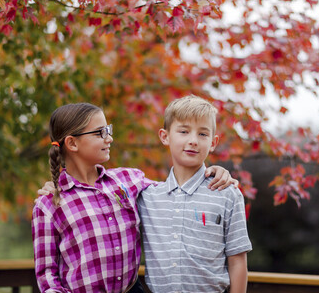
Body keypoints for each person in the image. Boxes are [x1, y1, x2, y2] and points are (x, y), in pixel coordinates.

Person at [32, 102, 236, 293]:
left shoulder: (129, 180)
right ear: (72, 143)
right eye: (100, 133)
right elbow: (47, 275)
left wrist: (212, 172)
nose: (109, 138)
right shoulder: (49, 204)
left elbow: (176, 190)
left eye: (108, 130)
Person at [138, 95, 252, 293]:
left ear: (213, 142)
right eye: (183, 131)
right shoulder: (146, 197)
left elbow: (237, 261)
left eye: (202, 134)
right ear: (165, 136)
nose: (193, 141)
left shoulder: (227, 194)